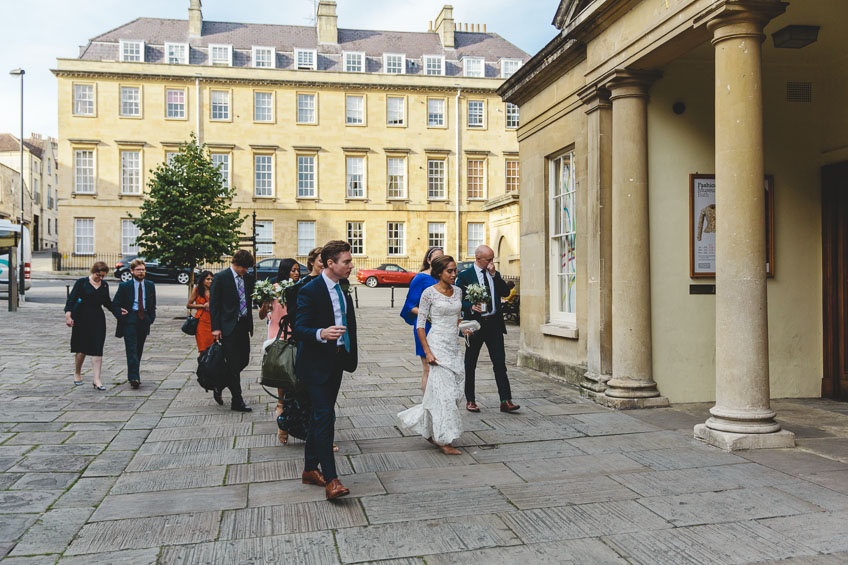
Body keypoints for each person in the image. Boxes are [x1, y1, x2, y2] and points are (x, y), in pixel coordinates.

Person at [293, 240, 358, 500]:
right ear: (330, 263)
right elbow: (299, 329)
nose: (351, 265)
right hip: (316, 364)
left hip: (337, 361)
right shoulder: (310, 290)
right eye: (346, 262)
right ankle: (332, 480)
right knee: (324, 418)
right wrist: (321, 333)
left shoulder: (344, 288)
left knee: (320, 418)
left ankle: (310, 469)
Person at [398, 255, 473, 455]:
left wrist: (465, 328)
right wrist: (428, 352)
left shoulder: (457, 291)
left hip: (453, 346)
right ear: (439, 272)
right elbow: (420, 326)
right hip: (436, 344)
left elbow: (457, 319)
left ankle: (427, 428)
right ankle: (443, 440)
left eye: (455, 270)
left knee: (457, 392)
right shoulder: (428, 294)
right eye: (450, 271)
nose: (454, 274)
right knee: (444, 394)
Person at [457, 245, 520, 413]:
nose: (492, 262)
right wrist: (471, 306)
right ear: (478, 259)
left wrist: (494, 275)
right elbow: (457, 299)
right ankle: (470, 400)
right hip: (475, 325)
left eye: (493, 259)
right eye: (489, 259)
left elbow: (505, 292)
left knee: (500, 363)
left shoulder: (494, 274)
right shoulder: (464, 276)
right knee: (470, 363)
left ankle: (505, 400)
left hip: (494, 324)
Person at [258, 258, 301, 444]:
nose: (297, 273)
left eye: (298, 270)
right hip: (279, 339)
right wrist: (265, 304)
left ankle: (295, 422)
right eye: (293, 270)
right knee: (283, 385)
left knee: (297, 384)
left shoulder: (301, 288)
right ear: (285, 271)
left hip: (297, 338)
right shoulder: (273, 289)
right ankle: (282, 424)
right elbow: (262, 316)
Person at [210, 250, 255, 412]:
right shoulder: (221, 278)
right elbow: (214, 304)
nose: (246, 271)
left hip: (244, 325)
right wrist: (215, 328)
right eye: (244, 268)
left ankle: (220, 384)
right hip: (228, 326)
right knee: (234, 364)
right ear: (236, 264)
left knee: (244, 360)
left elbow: (253, 299)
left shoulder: (248, 279)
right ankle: (237, 400)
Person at [64, 261, 113, 390]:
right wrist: (68, 315)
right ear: (93, 271)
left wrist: (119, 311)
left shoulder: (104, 285)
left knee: (97, 348)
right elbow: (71, 299)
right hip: (81, 317)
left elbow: (107, 302)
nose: (100, 278)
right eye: (98, 275)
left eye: (103, 276)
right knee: (82, 349)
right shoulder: (82, 282)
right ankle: (77, 373)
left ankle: (97, 380)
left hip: (98, 318)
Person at [400, 246, 443, 392]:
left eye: (441, 257)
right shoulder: (420, 278)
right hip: (426, 327)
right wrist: (428, 315)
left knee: (442, 369)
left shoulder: (444, 277)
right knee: (429, 368)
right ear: (429, 260)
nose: (439, 260)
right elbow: (409, 306)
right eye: (436, 257)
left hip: (442, 328)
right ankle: (427, 405)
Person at [113, 258, 156, 389]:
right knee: (131, 348)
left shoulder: (150, 285)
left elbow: (152, 303)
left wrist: (151, 318)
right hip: (130, 319)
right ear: (132, 271)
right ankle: (134, 377)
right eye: (138, 270)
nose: (141, 272)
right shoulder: (124, 286)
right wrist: (121, 314)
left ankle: (134, 373)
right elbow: (115, 304)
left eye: (143, 270)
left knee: (139, 349)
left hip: (144, 319)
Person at [187, 271, 214, 353]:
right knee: (202, 347)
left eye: (211, 279)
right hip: (201, 321)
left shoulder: (215, 290)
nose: (210, 281)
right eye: (207, 279)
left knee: (212, 347)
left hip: (213, 321)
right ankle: (203, 364)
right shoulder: (197, 290)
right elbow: (189, 305)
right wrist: (202, 306)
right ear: (202, 280)